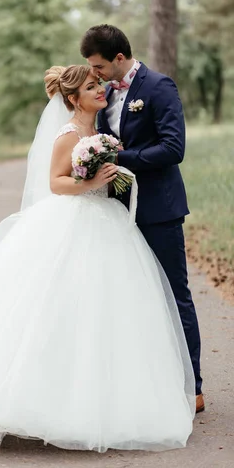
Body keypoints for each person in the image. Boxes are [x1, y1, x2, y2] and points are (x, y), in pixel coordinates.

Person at [0, 64, 195, 453]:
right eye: (91, 86)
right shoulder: (68, 135)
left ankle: (101, 394)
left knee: (105, 312)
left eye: (99, 83)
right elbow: (56, 182)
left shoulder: (100, 134)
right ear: (73, 99)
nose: (100, 89)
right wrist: (91, 182)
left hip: (109, 223)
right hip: (75, 221)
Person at [80, 24, 204, 413]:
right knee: (127, 299)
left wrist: (117, 158)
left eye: (99, 65)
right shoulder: (103, 94)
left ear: (120, 58)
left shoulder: (158, 87)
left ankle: (192, 386)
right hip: (114, 212)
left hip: (157, 210)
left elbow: (173, 148)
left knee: (173, 296)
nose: (95, 74)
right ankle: (138, 386)